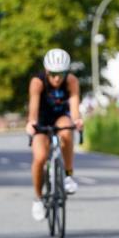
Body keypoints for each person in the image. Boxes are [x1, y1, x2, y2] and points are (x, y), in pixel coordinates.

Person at [26, 48, 84, 221]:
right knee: (40, 158)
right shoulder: (37, 82)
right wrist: (31, 123)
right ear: (46, 71)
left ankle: (68, 176)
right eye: (53, 74)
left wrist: (77, 120)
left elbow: (74, 107)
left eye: (61, 74)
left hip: (60, 117)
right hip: (42, 120)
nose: (57, 78)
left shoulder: (71, 81)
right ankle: (38, 198)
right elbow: (33, 109)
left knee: (67, 129)